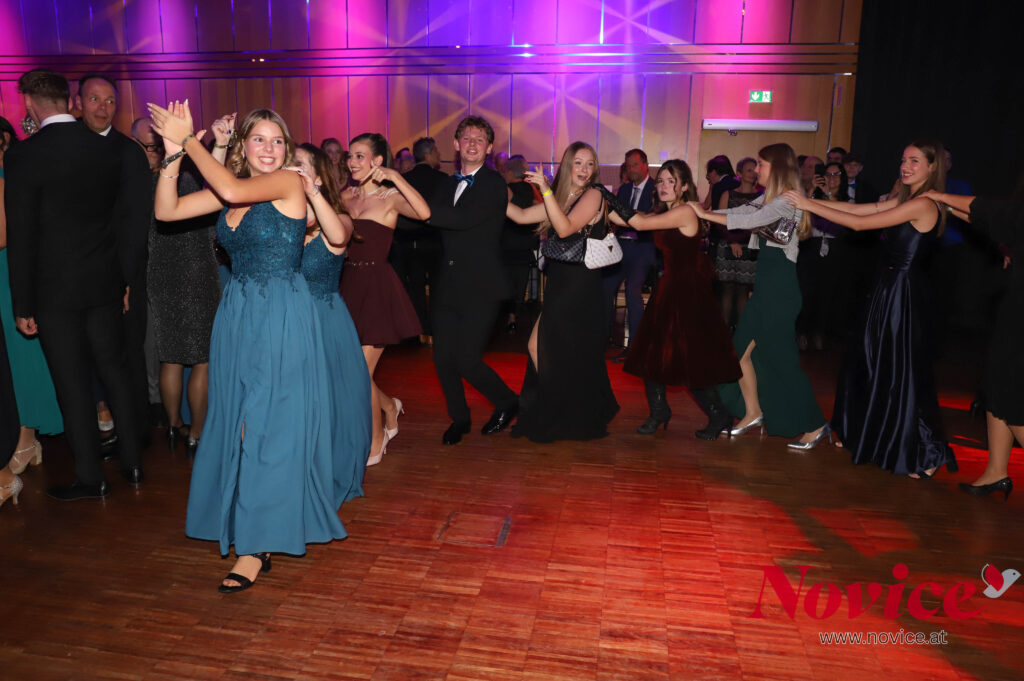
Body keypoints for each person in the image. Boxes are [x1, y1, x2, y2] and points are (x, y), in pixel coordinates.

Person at [147, 101, 350, 592]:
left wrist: (191, 140)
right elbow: (167, 211)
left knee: (266, 424)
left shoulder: (288, 182)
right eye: (259, 138)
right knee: (237, 422)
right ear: (243, 145)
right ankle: (253, 518)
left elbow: (233, 187)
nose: (269, 148)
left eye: (277, 140)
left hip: (280, 313)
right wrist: (173, 154)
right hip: (237, 312)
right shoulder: (231, 192)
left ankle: (256, 546)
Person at [5, 69, 145, 499]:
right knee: (115, 371)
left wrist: (22, 303)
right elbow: (124, 222)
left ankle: (91, 476)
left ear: (30, 103)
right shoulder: (106, 148)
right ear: (71, 101)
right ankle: (133, 462)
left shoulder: (25, 155)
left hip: (54, 291)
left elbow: (21, 235)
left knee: (72, 382)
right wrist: (123, 279)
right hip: (103, 282)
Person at [785, 140, 957, 478]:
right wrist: (814, 201)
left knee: (900, 370)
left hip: (903, 294)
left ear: (932, 167)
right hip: (887, 289)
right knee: (873, 362)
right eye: (903, 159)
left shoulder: (923, 204)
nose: (905, 166)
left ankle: (926, 452)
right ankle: (870, 434)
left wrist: (807, 203)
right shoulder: (906, 199)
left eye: (914, 161)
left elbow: (860, 225)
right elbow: (863, 210)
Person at [689, 143, 830, 449]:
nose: (756, 170)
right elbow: (742, 211)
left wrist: (704, 214)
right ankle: (753, 411)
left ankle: (816, 424)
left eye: (761, 164)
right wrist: (705, 212)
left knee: (782, 361)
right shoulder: (770, 198)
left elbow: (749, 221)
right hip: (766, 287)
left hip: (780, 291)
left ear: (776, 168)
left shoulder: (789, 200)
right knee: (739, 353)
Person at [606, 160, 741, 438]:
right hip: (670, 288)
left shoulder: (684, 212)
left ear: (684, 186)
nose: (664, 186)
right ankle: (659, 411)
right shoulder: (665, 212)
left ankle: (719, 415)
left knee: (689, 358)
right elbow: (628, 219)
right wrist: (600, 205)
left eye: (671, 181)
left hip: (688, 292)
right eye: (661, 181)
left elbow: (639, 223)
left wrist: (606, 194)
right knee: (652, 352)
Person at [505, 142, 618, 442]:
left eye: (589, 164)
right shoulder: (562, 198)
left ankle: (564, 409)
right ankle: (563, 405)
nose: (584, 169)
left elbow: (566, 228)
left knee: (549, 348)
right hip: (560, 284)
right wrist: (490, 193)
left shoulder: (593, 195)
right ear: (567, 165)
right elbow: (520, 216)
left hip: (580, 285)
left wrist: (544, 191)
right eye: (578, 163)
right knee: (546, 349)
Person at [426, 116, 520, 446]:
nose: (472, 144)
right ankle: (460, 418)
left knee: (466, 359)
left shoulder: (493, 184)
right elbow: (427, 225)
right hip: (448, 283)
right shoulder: (446, 184)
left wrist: (406, 202)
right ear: (456, 144)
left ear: (489, 148)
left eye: (480, 139)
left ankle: (507, 401)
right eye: (467, 138)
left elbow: (460, 219)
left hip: (482, 285)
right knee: (442, 359)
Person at [920, 190, 1020, 499]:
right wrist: (946, 207)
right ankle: (996, 472)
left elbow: (985, 209)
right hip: (1014, 312)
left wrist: (937, 193)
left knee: (1012, 396)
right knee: (995, 386)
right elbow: (989, 219)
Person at [339, 132, 430, 464]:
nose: (352, 162)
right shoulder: (344, 195)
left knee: (359, 372)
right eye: (350, 155)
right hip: (347, 285)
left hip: (377, 287)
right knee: (350, 370)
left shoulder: (390, 198)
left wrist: (395, 177)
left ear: (377, 161)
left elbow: (424, 212)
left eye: (360, 156)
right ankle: (390, 405)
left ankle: (376, 439)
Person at [295, 143, 371, 504]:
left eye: (298, 163)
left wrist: (312, 195)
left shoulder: (341, 219)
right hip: (288, 320)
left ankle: (327, 474)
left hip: (324, 323)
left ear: (320, 176)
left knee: (329, 404)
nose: (290, 168)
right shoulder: (283, 218)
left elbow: (338, 235)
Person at [147, 115, 224, 458]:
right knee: (202, 359)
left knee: (171, 357)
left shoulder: (154, 180)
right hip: (198, 272)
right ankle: (196, 433)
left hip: (161, 275)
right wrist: (220, 147)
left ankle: (173, 425)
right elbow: (220, 186)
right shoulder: (202, 183)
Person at [1, 113, 63, 502]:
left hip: (7, 275)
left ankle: (27, 436)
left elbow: (5, 235)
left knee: (20, 358)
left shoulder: (7, 178)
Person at [389, 136, 446, 341]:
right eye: (437, 151)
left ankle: (420, 330)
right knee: (438, 289)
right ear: (428, 155)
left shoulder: (405, 180)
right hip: (436, 243)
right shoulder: (443, 179)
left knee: (416, 289)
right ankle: (437, 330)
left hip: (410, 243)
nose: (439, 155)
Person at [602, 149, 656, 361]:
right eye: (628, 166)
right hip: (621, 245)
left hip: (643, 247)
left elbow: (655, 217)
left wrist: (639, 217)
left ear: (645, 165)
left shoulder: (655, 190)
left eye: (634, 165)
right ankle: (602, 339)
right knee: (605, 288)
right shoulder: (624, 189)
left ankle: (634, 347)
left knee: (633, 292)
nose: (631, 169)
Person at [796, 160, 850, 350]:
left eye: (836, 175)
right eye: (828, 174)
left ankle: (819, 333)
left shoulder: (846, 199)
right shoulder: (814, 195)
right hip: (811, 246)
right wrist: (812, 190)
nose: (831, 178)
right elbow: (802, 216)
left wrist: (827, 194)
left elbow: (842, 221)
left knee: (826, 293)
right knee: (806, 291)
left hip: (835, 248)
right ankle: (802, 332)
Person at [714, 157, 762, 329]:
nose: (753, 173)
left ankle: (741, 334)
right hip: (727, 245)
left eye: (755, 169)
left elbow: (759, 224)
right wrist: (732, 241)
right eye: (749, 170)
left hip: (749, 246)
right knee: (727, 290)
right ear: (739, 173)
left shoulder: (761, 196)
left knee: (743, 290)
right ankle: (724, 333)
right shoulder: (729, 194)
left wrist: (742, 239)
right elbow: (719, 221)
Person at [501, 154, 540, 333]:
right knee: (520, 283)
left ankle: (503, 315)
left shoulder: (505, 189)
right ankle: (513, 317)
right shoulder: (530, 189)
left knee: (506, 282)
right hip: (524, 244)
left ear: (510, 172)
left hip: (506, 244)